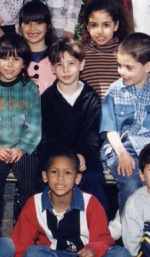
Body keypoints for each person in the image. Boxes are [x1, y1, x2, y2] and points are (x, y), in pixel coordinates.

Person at [3, 148, 131, 257]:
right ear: (45, 176)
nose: (60, 178)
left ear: (77, 178)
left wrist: (93, 250)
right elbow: (21, 243)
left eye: (68, 173)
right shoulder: (35, 203)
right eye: (54, 172)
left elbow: (103, 238)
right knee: (31, 255)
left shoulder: (90, 203)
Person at [99, 32, 150, 217]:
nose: (122, 71)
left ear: (148, 66)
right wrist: (121, 154)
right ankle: (128, 227)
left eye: (129, 67)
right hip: (120, 149)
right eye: (119, 65)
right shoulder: (114, 90)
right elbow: (109, 128)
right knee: (130, 181)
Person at [0, 34, 41, 238]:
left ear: (24, 64)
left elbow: (34, 124)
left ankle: (29, 224)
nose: (9, 64)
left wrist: (22, 148)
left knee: (29, 173)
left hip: (22, 149)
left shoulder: (29, 89)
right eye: (4, 58)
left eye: (16, 59)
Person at [39, 37, 107, 214]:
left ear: (82, 64)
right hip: (57, 155)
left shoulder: (91, 98)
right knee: (46, 177)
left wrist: (83, 155)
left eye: (71, 63)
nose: (66, 69)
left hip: (84, 155)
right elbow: (47, 137)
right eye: (59, 64)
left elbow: (92, 135)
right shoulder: (47, 99)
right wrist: (65, 158)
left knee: (93, 177)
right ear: (53, 68)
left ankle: (98, 227)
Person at [80, 0, 127, 102]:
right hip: (90, 116)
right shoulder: (81, 54)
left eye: (106, 25)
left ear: (116, 25)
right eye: (94, 25)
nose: (100, 31)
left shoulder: (126, 54)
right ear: (87, 27)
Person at [17, 1, 57, 94]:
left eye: (39, 23)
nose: (32, 28)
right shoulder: (15, 58)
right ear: (20, 27)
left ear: (48, 26)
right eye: (27, 23)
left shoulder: (57, 57)